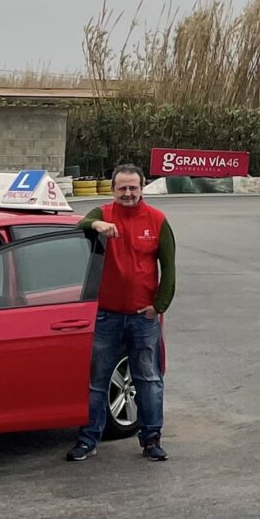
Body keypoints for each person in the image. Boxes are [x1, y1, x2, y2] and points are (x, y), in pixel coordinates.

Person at [67, 165, 177, 463]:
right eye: (122, 189)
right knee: (97, 381)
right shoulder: (102, 213)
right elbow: (80, 225)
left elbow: (169, 269)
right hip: (107, 316)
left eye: (133, 188)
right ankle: (89, 439)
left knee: (148, 379)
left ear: (142, 188)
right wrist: (96, 226)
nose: (128, 194)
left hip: (143, 317)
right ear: (113, 190)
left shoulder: (157, 221)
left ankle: (151, 439)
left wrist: (159, 306)